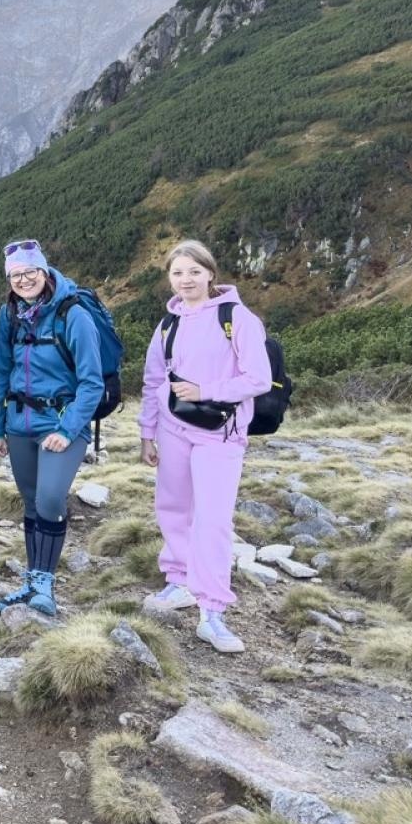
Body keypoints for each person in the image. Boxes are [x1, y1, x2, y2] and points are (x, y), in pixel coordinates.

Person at [138, 240, 271, 655]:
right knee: (173, 506)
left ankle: (212, 611)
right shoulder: (168, 324)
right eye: (178, 273)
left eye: (194, 271)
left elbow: (258, 379)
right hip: (174, 431)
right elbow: (154, 381)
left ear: (211, 274)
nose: (186, 280)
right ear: (170, 278)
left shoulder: (238, 318)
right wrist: (148, 432)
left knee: (212, 520)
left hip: (221, 432)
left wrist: (204, 391)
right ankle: (178, 580)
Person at [0, 241, 104, 618]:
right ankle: (32, 580)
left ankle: (45, 584)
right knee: (33, 500)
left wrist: (68, 430)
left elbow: (92, 382)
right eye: (16, 274)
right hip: (19, 423)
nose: (23, 280)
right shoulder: (11, 314)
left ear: (44, 271)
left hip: (60, 423)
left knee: (51, 499)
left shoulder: (73, 315)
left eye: (30, 272)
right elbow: (0, 371)